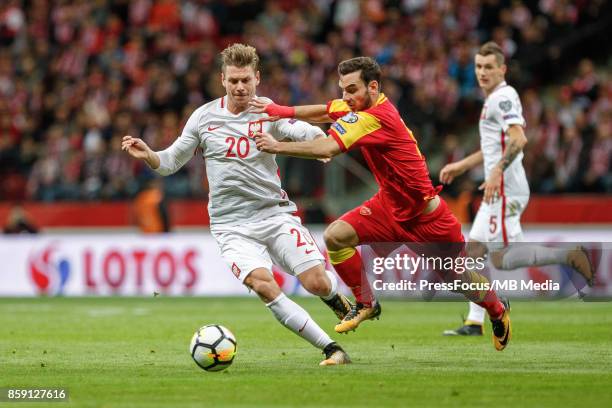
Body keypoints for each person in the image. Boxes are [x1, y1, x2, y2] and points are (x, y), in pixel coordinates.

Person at [250, 56, 512, 351]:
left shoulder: (373, 118)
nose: (346, 98)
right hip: (388, 207)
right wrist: (280, 111)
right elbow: (326, 110)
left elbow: (327, 147)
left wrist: (278, 146)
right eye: (343, 90)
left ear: (372, 87)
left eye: (352, 89)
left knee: (458, 278)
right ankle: (366, 303)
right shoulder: (360, 106)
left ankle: (497, 309)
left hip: (427, 218)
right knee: (336, 237)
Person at [122, 43, 351, 365]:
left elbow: (301, 129)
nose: (240, 87)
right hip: (231, 226)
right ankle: (331, 348)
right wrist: (149, 155)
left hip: (274, 214)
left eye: (245, 80)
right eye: (233, 81)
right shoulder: (203, 117)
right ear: (222, 80)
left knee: (317, 282)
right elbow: (171, 160)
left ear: (257, 78)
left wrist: (320, 140)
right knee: (264, 285)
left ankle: (332, 297)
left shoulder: (267, 111)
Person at [438, 42, 595, 336]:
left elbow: (519, 138)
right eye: (478, 66)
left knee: (489, 257)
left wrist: (497, 170)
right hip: (498, 188)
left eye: (488, 67)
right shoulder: (494, 100)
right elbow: (496, 146)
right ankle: (476, 320)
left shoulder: (503, 97)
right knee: (484, 256)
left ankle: (564, 259)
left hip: (505, 188)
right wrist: (462, 165)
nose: (482, 72)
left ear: (502, 69)